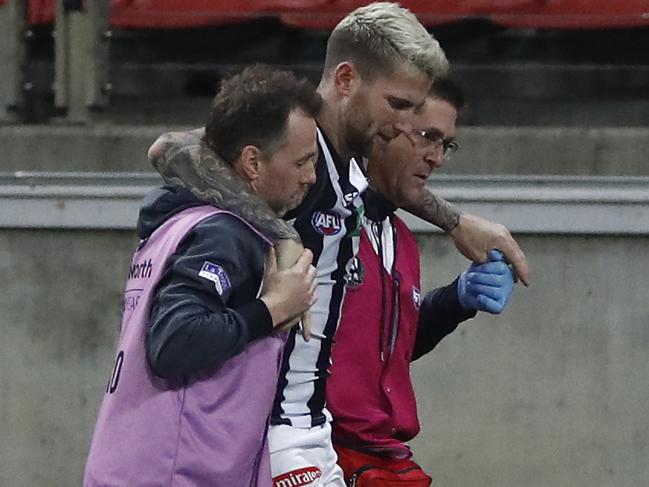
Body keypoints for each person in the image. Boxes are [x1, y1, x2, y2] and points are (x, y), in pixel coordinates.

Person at [147, 4, 529, 485]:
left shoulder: (348, 178)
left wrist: (453, 224)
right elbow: (169, 150)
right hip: (275, 432)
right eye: (397, 106)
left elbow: (385, 194)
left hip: (315, 431)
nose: (402, 127)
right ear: (346, 80)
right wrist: (284, 234)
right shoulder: (294, 158)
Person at [83, 65, 322, 487]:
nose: (311, 176)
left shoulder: (179, 222)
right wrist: (272, 308)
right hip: (173, 474)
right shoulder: (222, 233)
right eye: (302, 161)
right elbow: (175, 342)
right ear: (252, 162)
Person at [328, 77, 515, 486]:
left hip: (382, 456)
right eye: (428, 137)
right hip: (322, 455)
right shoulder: (321, 220)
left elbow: (383, 351)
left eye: (446, 144)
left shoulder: (402, 239)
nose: (437, 158)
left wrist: (456, 301)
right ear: (384, 127)